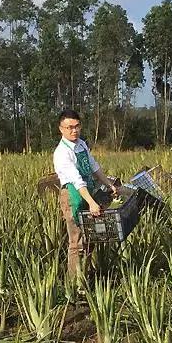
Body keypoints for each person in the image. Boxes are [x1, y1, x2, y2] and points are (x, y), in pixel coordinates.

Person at [53, 109, 119, 279]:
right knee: (76, 242)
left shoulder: (81, 144)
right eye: (69, 127)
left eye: (76, 126)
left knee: (90, 237)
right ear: (61, 129)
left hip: (87, 191)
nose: (73, 130)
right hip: (73, 196)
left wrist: (108, 184)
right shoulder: (62, 153)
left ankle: (86, 274)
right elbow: (76, 180)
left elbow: (93, 166)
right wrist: (91, 202)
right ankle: (75, 282)